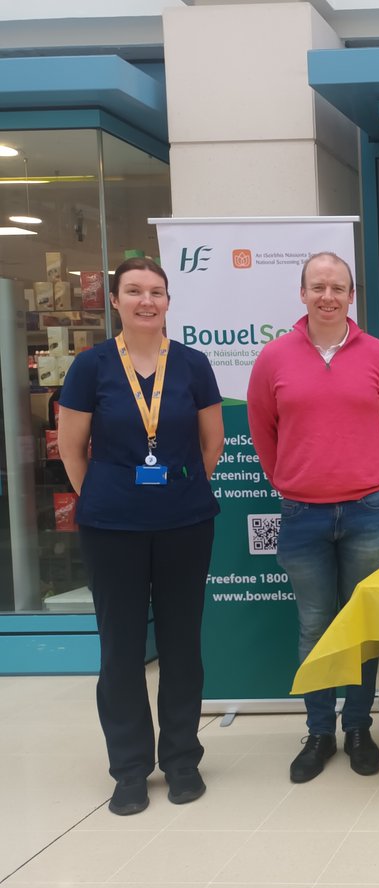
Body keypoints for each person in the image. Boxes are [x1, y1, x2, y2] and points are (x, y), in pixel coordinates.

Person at [57, 257, 224, 815]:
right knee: (121, 649)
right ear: (116, 301)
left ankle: (181, 760)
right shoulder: (91, 366)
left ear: (169, 301)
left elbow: (211, 446)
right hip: (112, 529)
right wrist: (107, 497)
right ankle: (129, 769)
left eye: (156, 291)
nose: (146, 301)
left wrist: (174, 490)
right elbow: (73, 450)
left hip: (184, 524)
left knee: (183, 646)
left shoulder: (194, 365)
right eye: (134, 291)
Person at [247, 251, 379, 783]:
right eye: (317, 286)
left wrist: (363, 470)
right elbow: (263, 432)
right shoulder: (274, 358)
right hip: (301, 512)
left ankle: (358, 728)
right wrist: (292, 477)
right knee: (315, 625)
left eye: (337, 287)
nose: (327, 296)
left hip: (366, 510)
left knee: (360, 624)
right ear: (301, 294)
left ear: (351, 295)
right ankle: (319, 732)